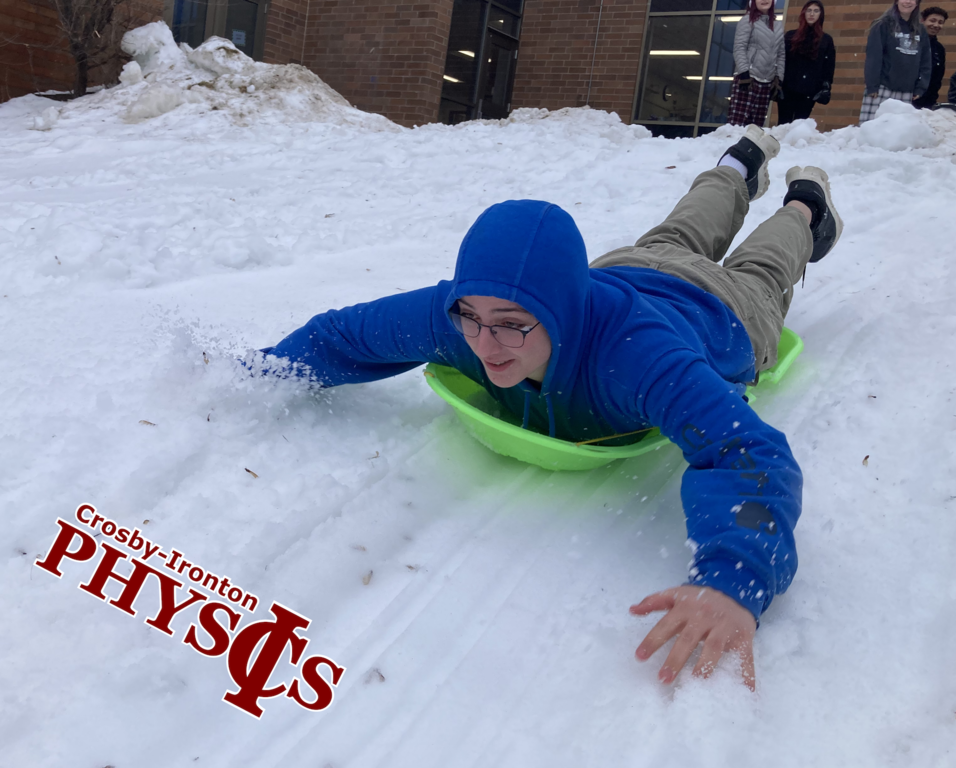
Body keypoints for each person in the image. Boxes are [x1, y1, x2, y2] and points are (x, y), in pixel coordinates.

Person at [253, 125, 844, 690]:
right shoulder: (470, 314)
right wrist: (261, 372)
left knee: (762, 270)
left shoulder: (639, 358)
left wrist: (734, 579)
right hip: (632, 268)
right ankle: (736, 168)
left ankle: (802, 207)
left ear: (561, 310)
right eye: (471, 319)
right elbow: (343, 335)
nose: (485, 345)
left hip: (726, 311)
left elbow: (746, 449)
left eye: (511, 326)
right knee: (677, 231)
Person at [860, 0, 933, 124]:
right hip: (881, 89)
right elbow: (874, 57)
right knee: (870, 132)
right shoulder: (882, 25)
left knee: (898, 135)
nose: (908, 2)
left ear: (917, 3)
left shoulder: (920, 30)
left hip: (907, 91)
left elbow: (926, 61)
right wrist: (872, 86)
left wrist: (920, 88)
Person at [778, 0, 836, 124]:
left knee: (799, 125)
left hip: (809, 90)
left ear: (821, 14)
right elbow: (781, 60)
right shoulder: (790, 36)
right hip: (788, 88)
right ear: (804, 13)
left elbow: (828, 67)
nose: (812, 14)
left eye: (816, 11)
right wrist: (778, 82)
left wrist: (826, 87)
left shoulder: (826, 40)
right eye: (809, 10)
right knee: (783, 124)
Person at [729, 0, 786, 126]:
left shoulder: (777, 25)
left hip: (767, 82)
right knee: (737, 125)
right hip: (749, 79)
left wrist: (779, 78)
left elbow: (781, 54)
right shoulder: (747, 20)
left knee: (756, 127)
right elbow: (739, 47)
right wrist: (744, 73)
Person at [913, 6, 949, 109]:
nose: (936, 25)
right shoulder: (911, 42)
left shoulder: (939, 49)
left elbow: (937, 79)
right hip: (907, 97)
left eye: (940, 22)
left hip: (927, 103)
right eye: (932, 21)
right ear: (922, 21)